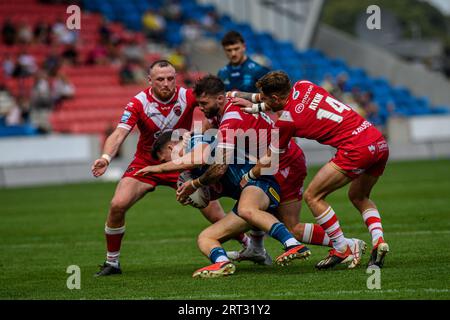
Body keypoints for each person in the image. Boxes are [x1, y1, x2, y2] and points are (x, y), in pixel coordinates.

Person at [234, 71, 389, 269]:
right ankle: (378, 241)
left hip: (355, 149)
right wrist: (254, 105)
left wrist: (247, 176)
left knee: (313, 196)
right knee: (359, 197)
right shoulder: (304, 85)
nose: (263, 101)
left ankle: (342, 249)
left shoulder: (286, 122)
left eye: (265, 98)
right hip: (376, 140)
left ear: (274, 97)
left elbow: (269, 160)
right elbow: (284, 103)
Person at [91, 60, 229, 276]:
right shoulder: (138, 103)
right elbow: (119, 133)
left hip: (181, 164)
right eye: (160, 79)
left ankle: (250, 246)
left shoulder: (187, 96)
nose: (166, 83)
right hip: (146, 164)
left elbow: (215, 101)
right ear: (149, 81)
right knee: (117, 204)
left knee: (214, 213)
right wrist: (106, 157)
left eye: (170, 78)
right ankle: (112, 263)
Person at [174, 75, 312, 277]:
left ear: (219, 99)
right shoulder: (224, 105)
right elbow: (206, 131)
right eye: (199, 104)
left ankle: (296, 244)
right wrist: (190, 138)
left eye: (203, 103)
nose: (200, 108)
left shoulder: (230, 120)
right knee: (206, 237)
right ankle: (227, 261)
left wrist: (191, 184)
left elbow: (218, 167)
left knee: (288, 223)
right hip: (264, 168)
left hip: (281, 162)